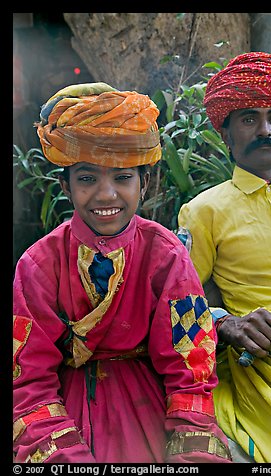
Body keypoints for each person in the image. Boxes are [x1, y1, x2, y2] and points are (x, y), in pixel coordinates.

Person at [13, 83, 232, 464]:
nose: (106, 195)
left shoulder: (166, 256)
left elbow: (191, 365)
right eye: (86, 179)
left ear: (144, 182)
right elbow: (28, 379)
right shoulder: (38, 264)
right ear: (65, 186)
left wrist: (192, 449)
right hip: (64, 408)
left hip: (148, 404)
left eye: (122, 177)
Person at [177, 52, 271, 463]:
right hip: (270, 361)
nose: (266, 129)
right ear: (226, 133)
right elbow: (178, 307)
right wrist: (227, 325)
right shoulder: (203, 211)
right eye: (249, 119)